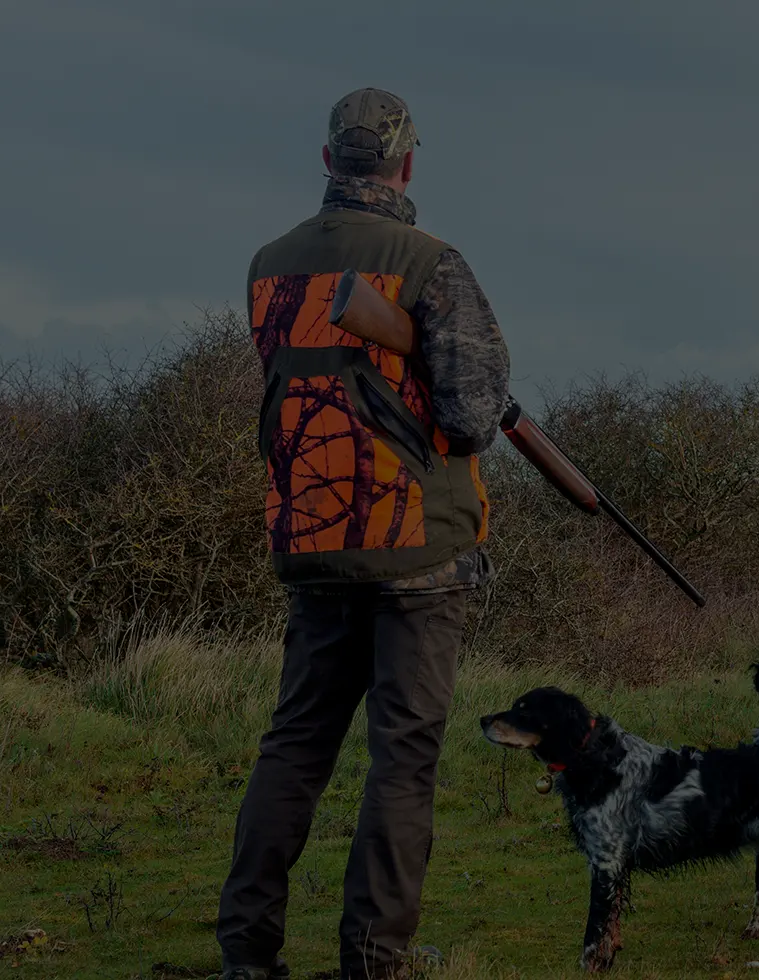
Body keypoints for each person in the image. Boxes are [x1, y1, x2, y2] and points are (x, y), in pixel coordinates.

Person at [216, 87, 512, 980]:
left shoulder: (269, 264)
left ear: (327, 161)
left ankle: (246, 953)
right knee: (403, 756)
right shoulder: (432, 263)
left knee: (296, 744)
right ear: (408, 162)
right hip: (415, 547)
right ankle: (376, 960)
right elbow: (468, 417)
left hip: (311, 535)